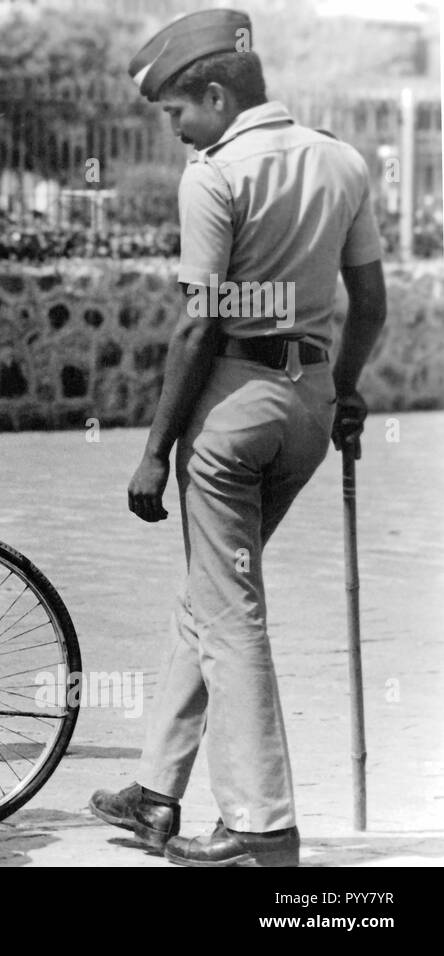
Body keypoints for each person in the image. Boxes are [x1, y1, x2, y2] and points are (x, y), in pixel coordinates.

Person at [90, 9, 387, 867]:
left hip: (231, 416)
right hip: (309, 411)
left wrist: (153, 450)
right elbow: (367, 304)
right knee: (213, 594)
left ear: (216, 94)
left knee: (231, 612)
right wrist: (348, 387)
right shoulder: (342, 159)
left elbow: (197, 328)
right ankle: (154, 793)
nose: (174, 128)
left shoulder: (214, 176)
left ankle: (261, 824)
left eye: (177, 111)